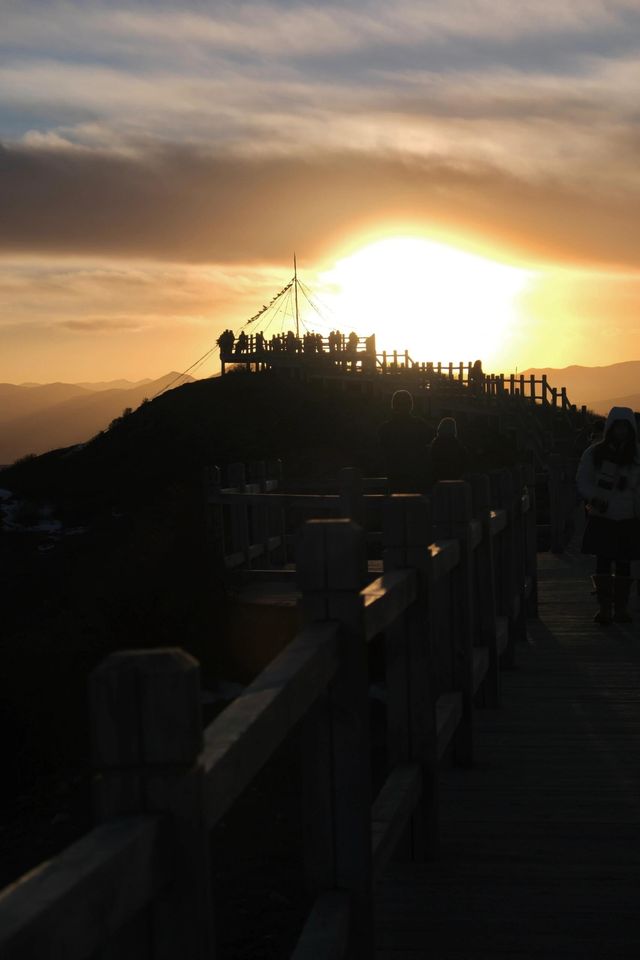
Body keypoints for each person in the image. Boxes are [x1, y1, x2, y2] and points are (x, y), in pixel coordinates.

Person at [576, 406, 640, 623]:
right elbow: (583, 480)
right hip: (602, 513)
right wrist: (594, 498)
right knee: (603, 562)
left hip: (628, 515)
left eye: (625, 428)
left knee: (623, 563)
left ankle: (620, 608)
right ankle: (604, 607)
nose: (621, 432)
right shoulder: (594, 454)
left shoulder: (636, 455)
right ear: (611, 428)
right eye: (618, 427)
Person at [378, 390, 430, 493]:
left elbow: (381, 452)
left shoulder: (385, 428)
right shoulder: (420, 425)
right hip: (416, 476)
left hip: (394, 475)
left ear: (393, 406)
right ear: (411, 405)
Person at [427, 416, 470, 484]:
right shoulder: (457, 445)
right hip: (454, 478)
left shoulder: (435, 444)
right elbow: (465, 461)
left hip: (437, 479)